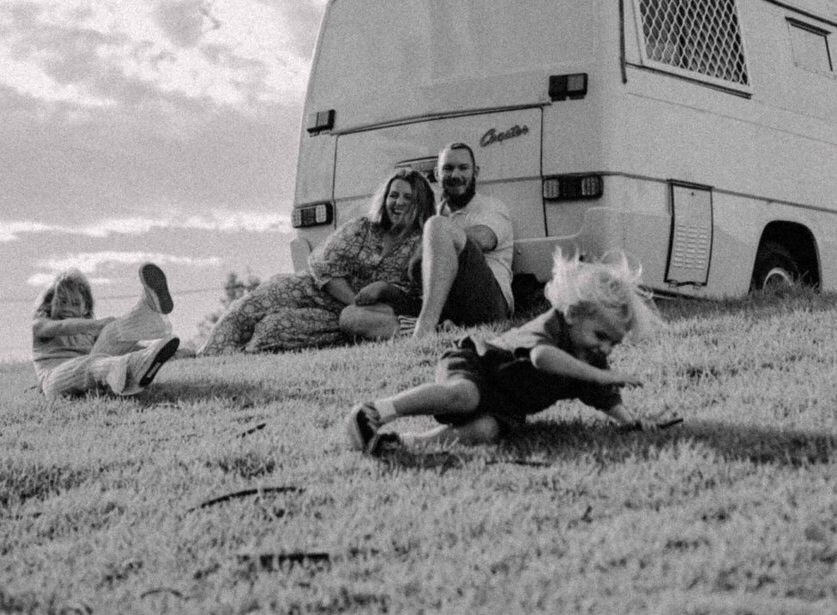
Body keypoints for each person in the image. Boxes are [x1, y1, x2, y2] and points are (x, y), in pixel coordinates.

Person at [345, 251, 656, 452]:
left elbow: (603, 396)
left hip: (506, 400)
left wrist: (629, 421)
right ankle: (376, 411)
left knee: (485, 430)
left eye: (613, 343)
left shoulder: (590, 359)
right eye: (601, 335)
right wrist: (600, 374)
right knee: (465, 395)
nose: (604, 349)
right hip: (478, 364)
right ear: (573, 313)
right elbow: (542, 358)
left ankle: (407, 444)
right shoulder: (551, 326)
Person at [200, 169, 436, 354]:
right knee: (251, 305)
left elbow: (413, 297)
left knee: (274, 329)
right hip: (314, 289)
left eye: (408, 197)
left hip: (350, 315)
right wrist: (353, 299)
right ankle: (208, 354)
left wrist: (382, 290)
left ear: (420, 203)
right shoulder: (363, 227)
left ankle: (237, 356)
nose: (399, 202)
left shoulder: (422, 243)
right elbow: (326, 266)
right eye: (394, 195)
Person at [339, 142, 514, 342]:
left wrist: (431, 241)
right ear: (437, 175)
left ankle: (423, 332)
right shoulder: (433, 213)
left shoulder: (491, 207)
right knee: (350, 316)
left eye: (463, 168)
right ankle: (442, 329)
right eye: (448, 169)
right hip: (442, 306)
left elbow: (485, 239)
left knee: (437, 226)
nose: (455, 175)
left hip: (485, 304)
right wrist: (386, 287)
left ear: (476, 172)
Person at [32, 264, 180, 398]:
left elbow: (119, 346)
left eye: (75, 303)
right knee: (90, 364)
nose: (68, 308)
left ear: (85, 309)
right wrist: (96, 324)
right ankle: (130, 366)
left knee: (110, 332)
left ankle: (147, 310)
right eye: (62, 301)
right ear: (50, 302)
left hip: (91, 367)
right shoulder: (41, 324)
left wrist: (164, 350)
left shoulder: (88, 335)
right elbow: (62, 327)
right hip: (54, 380)